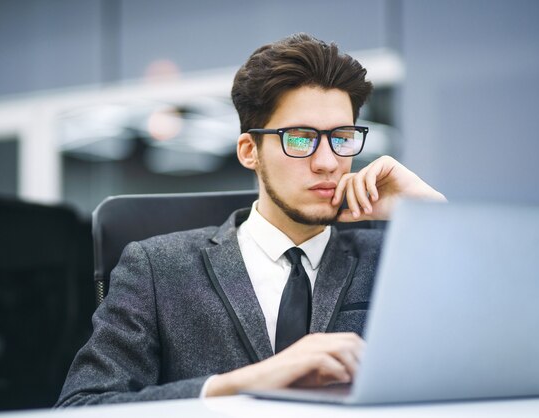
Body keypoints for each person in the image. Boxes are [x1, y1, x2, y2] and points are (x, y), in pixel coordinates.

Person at [56, 33, 445, 406]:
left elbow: (492, 357)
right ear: (249, 151)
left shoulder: (392, 259)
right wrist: (240, 385)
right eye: (300, 138)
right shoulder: (157, 268)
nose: (328, 162)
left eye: (341, 137)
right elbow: (82, 405)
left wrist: (431, 215)